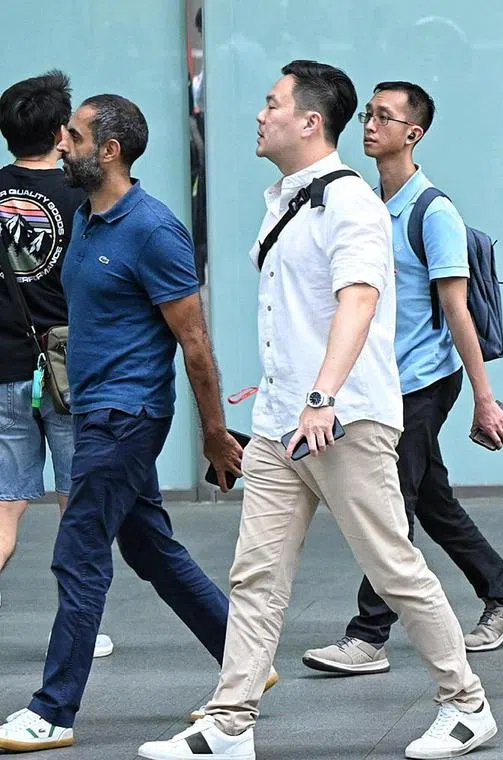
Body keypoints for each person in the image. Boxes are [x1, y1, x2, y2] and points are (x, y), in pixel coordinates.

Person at [138, 61, 497, 760]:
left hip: (344, 420)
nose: (259, 114)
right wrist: (285, 393)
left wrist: (321, 396)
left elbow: (358, 300)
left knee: (393, 567)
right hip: (282, 423)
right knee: (256, 575)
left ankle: (466, 703)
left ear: (309, 121)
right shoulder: (288, 199)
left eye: (272, 104)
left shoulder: (350, 202)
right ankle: (230, 721)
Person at [0, 92, 245, 753]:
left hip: (126, 415)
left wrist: (215, 434)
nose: (62, 144)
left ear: (109, 151)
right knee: (149, 548)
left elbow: (195, 344)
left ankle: (53, 710)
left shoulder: (154, 231)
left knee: (80, 553)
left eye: (75, 137)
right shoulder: (85, 218)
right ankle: (245, 662)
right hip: (93, 408)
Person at [301, 79, 503, 676]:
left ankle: (368, 635)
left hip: (425, 381)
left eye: (384, 117)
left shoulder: (434, 212)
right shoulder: (368, 203)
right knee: (430, 500)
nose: (370, 125)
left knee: (389, 505)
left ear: (413, 134)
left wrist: (484, 397)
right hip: (385, 380)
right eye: (368, 115)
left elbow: (458, 312)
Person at [0, 71, 111, 657]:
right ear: (59, 132)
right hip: (70, 370)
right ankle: (80, 632)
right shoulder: (81, 198)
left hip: (5, 369)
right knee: (76, 504)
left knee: (5, 506)